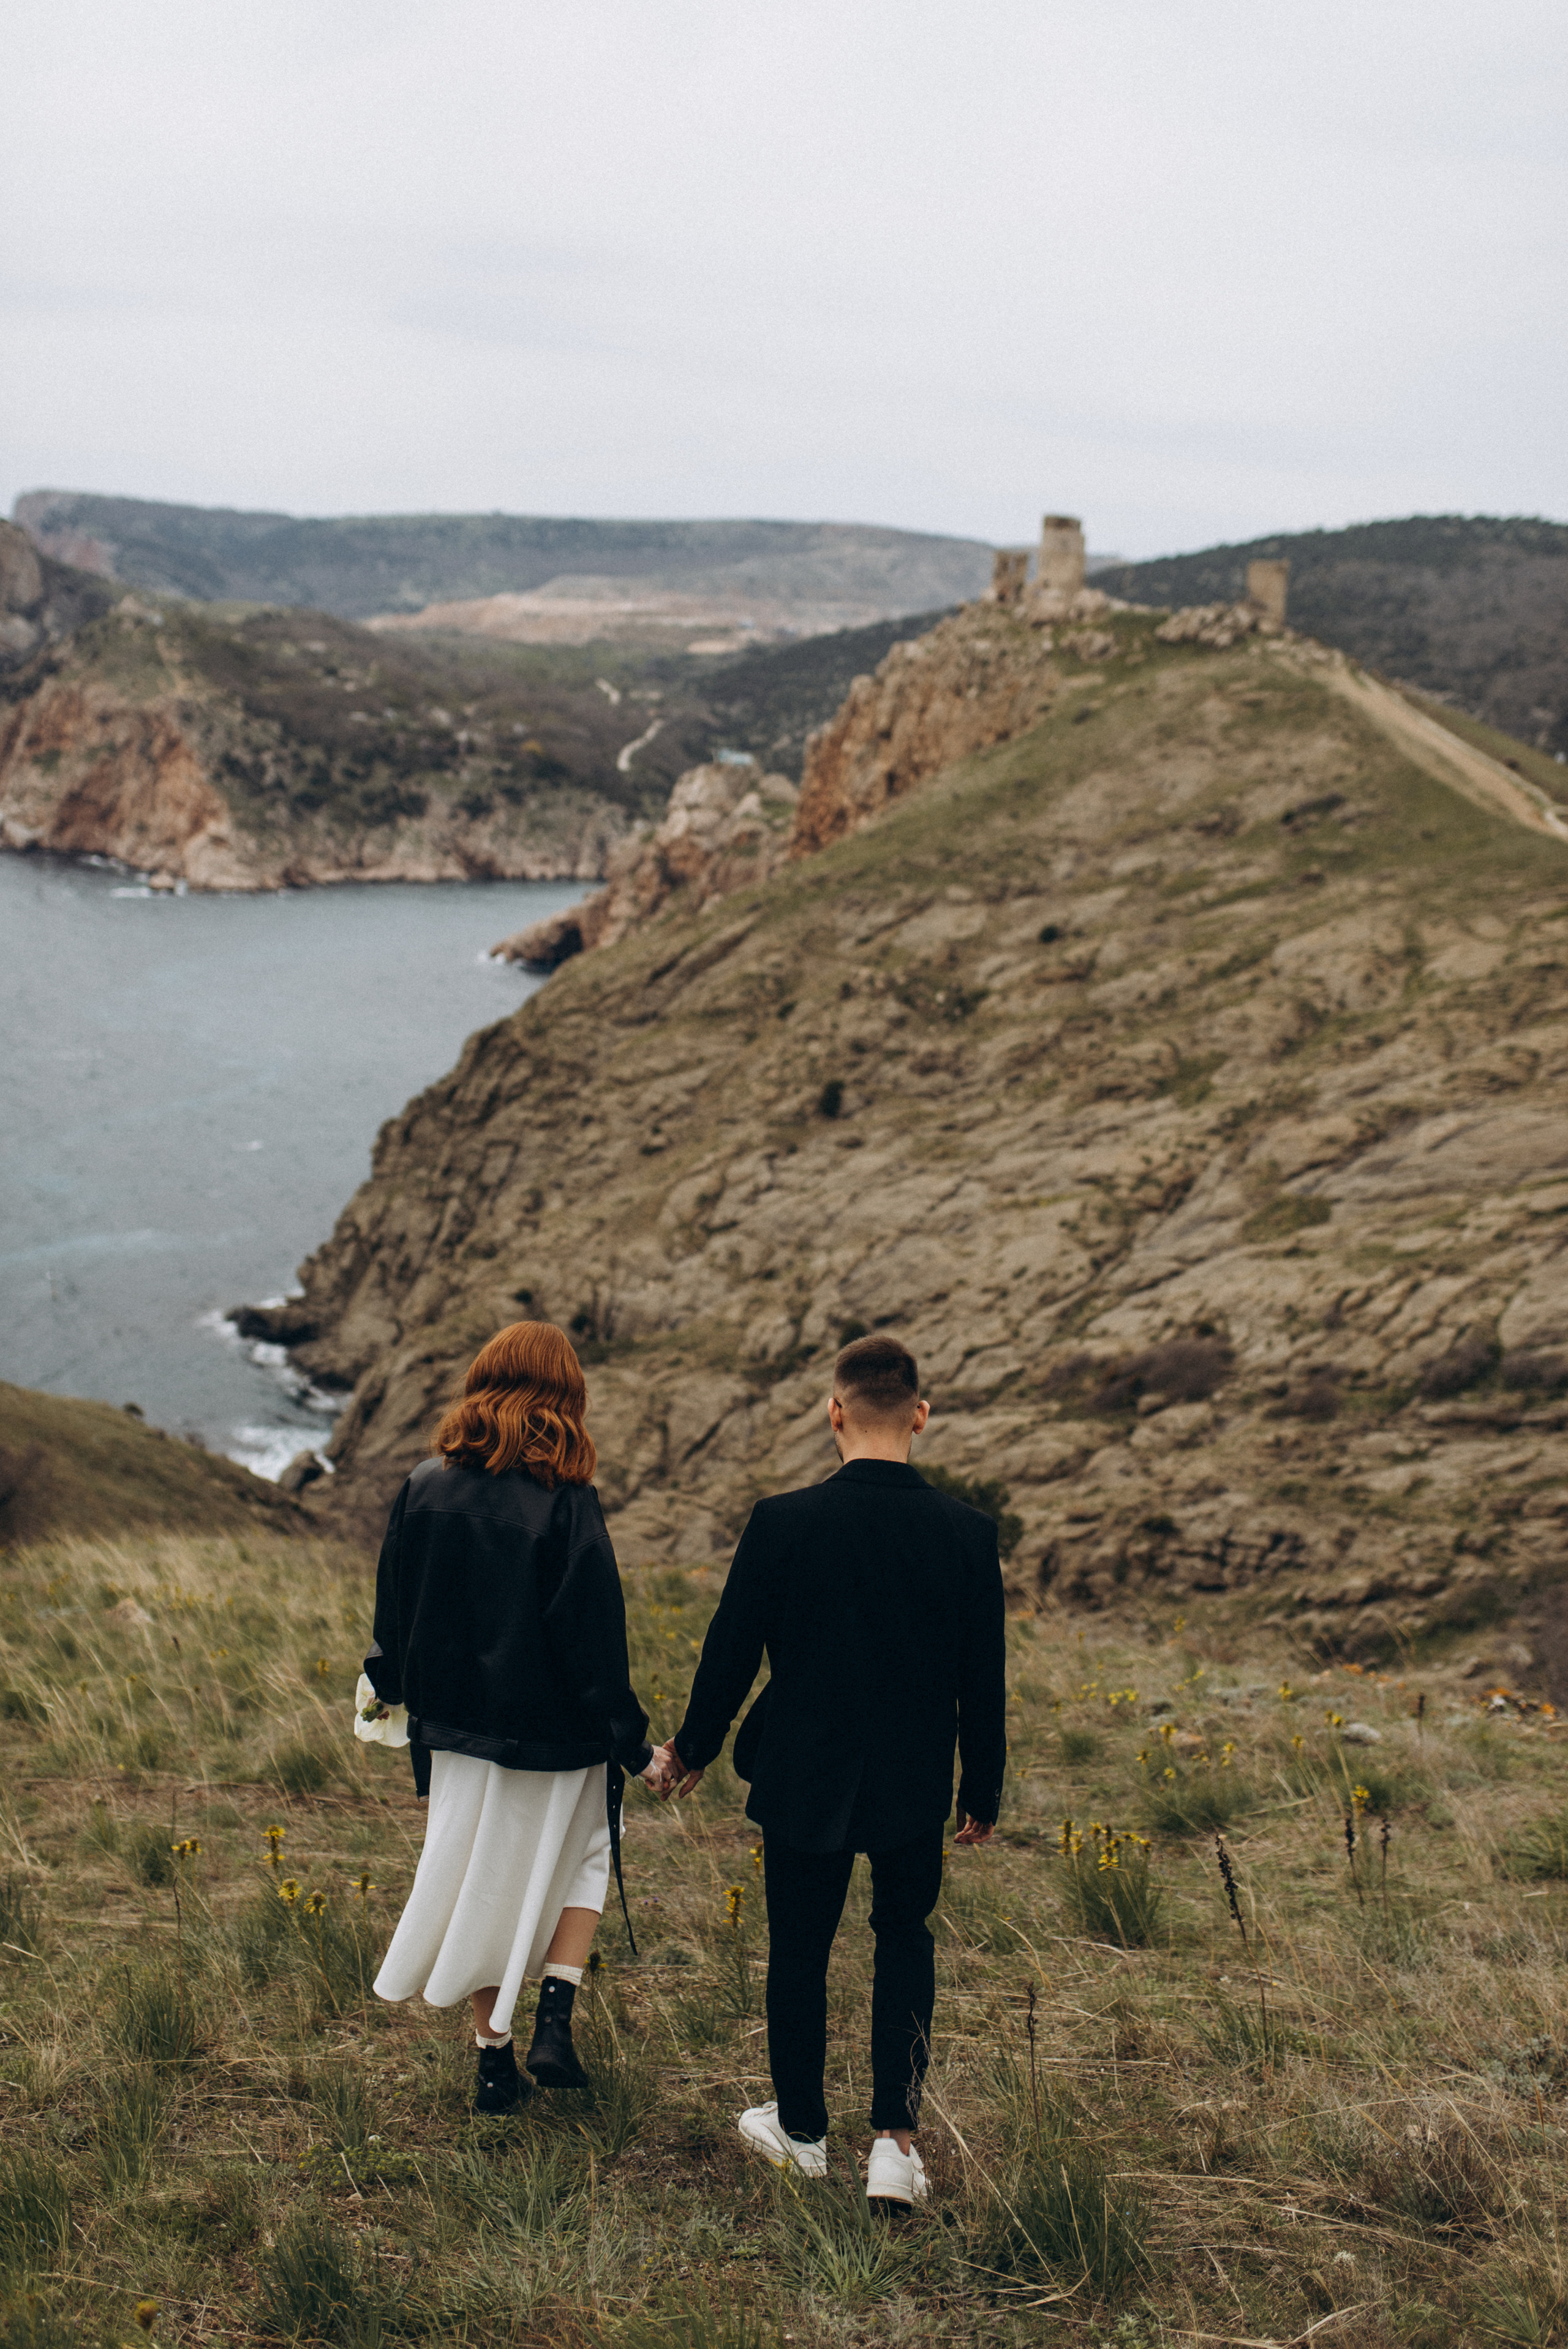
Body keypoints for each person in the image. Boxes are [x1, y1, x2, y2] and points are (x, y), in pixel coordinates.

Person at [649, 1333, 1006, 2207]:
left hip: (805, 1769)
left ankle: (803, 2133)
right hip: (915, 1776)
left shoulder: (783, 1521)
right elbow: (982, 1677)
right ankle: (895, 2144)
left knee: (799, 1951)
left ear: (833, 1412)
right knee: (904, 1937)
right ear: (920, 1415)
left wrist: (690, 1749)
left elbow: (728, 1652)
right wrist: (982, 1788)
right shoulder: (967, 1533)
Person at [363, 1320, 659, 2115]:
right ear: (565, 1397)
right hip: (556, 1733)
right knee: (589, 1854)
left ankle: (494, 2061)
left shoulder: (424, 1484)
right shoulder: (568, 1503)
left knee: (478, 1877)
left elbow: (395, 1606)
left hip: (455, 1728)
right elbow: (592, 1637)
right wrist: (631, 1744)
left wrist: (388, 1684)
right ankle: (554, 2020)